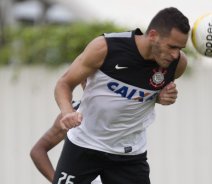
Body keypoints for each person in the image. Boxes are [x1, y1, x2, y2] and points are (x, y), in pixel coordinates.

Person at [53, 7, 190, 184]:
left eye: (180, 48)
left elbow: (144, 94)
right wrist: (67, 112)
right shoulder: (105, 47)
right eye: (172, 46)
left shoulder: (177, 64)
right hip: (85, 144)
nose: (175, 54)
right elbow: (64, 83)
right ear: (153, 35)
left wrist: (159, 97)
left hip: (129, 154)